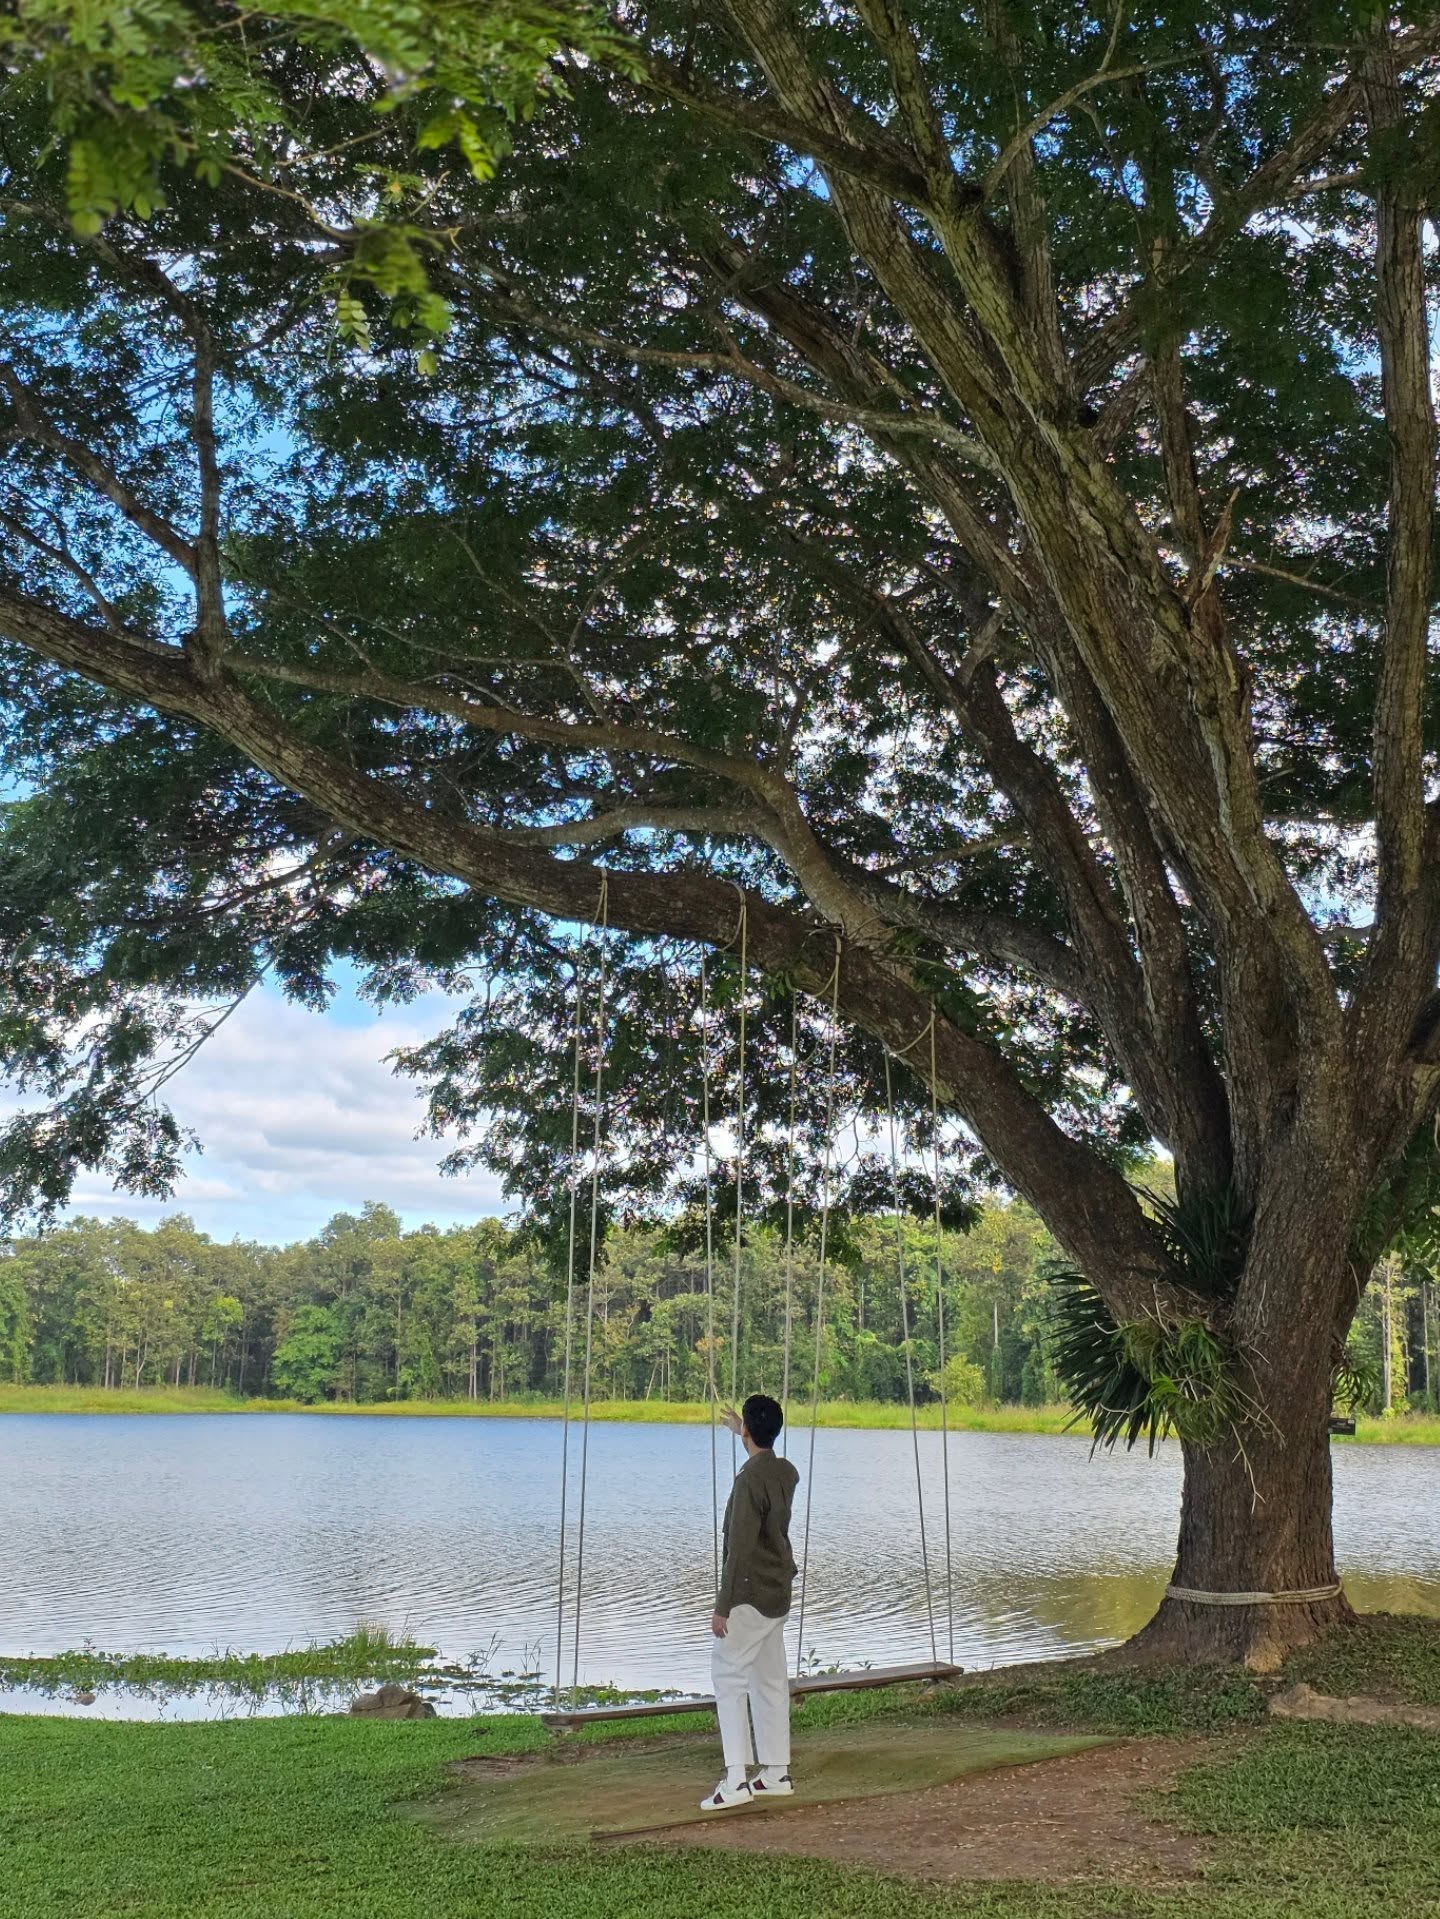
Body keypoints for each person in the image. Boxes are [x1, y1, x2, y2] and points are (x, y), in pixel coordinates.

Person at [700, 1392, 800, 1812]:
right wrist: (739, 1428)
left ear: (748, 1431)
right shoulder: (785, 1472)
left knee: (727, 1677)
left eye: (742, 1425)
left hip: (749, 1594)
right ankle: (775, 1773)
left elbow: (738, 1547)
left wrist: (723, 1606)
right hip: (777, 1591)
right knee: (770, 1680)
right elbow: (760, 1449)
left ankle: (736, 1778)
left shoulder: (748, 1482)